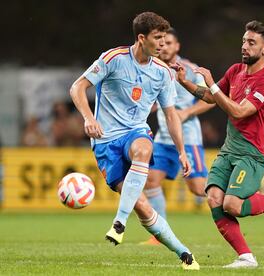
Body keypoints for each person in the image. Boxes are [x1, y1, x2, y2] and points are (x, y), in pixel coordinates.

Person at [69, 12, 199, 270]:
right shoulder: (113, 59)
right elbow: (77, 87)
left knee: (143, 147)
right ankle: (185, 254)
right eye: (158, 38)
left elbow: (170, 114)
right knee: (141, 204)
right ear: (142, 38)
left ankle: (119, 222)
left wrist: (182, 151)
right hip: (105, 141)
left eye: (165, 38)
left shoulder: (163, 72)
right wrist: (87, 118)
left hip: (135, 131)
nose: (163, 43)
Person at [175, 20, 264, 268]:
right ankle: (246, 256)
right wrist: (185, 82)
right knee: (213, 198)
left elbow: (238, 111)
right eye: (244, 41)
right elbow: (210, 96)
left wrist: (212, 83)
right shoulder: (236, 71)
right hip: (229, 150)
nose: (245, 46)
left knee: (232, 205)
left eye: (251, 42)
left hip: (251, 154)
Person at [142, 28, 215, 245]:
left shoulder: (190, 70)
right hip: (164, 138)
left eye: (169, 42)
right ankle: (160, 234)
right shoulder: (153, 67)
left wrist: (186, 112)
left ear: (177, 46)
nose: (164, 46)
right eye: (161, 42)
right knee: (151, 180)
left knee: (198, 188)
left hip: (188, 137)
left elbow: (210, 100)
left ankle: (235, 191)